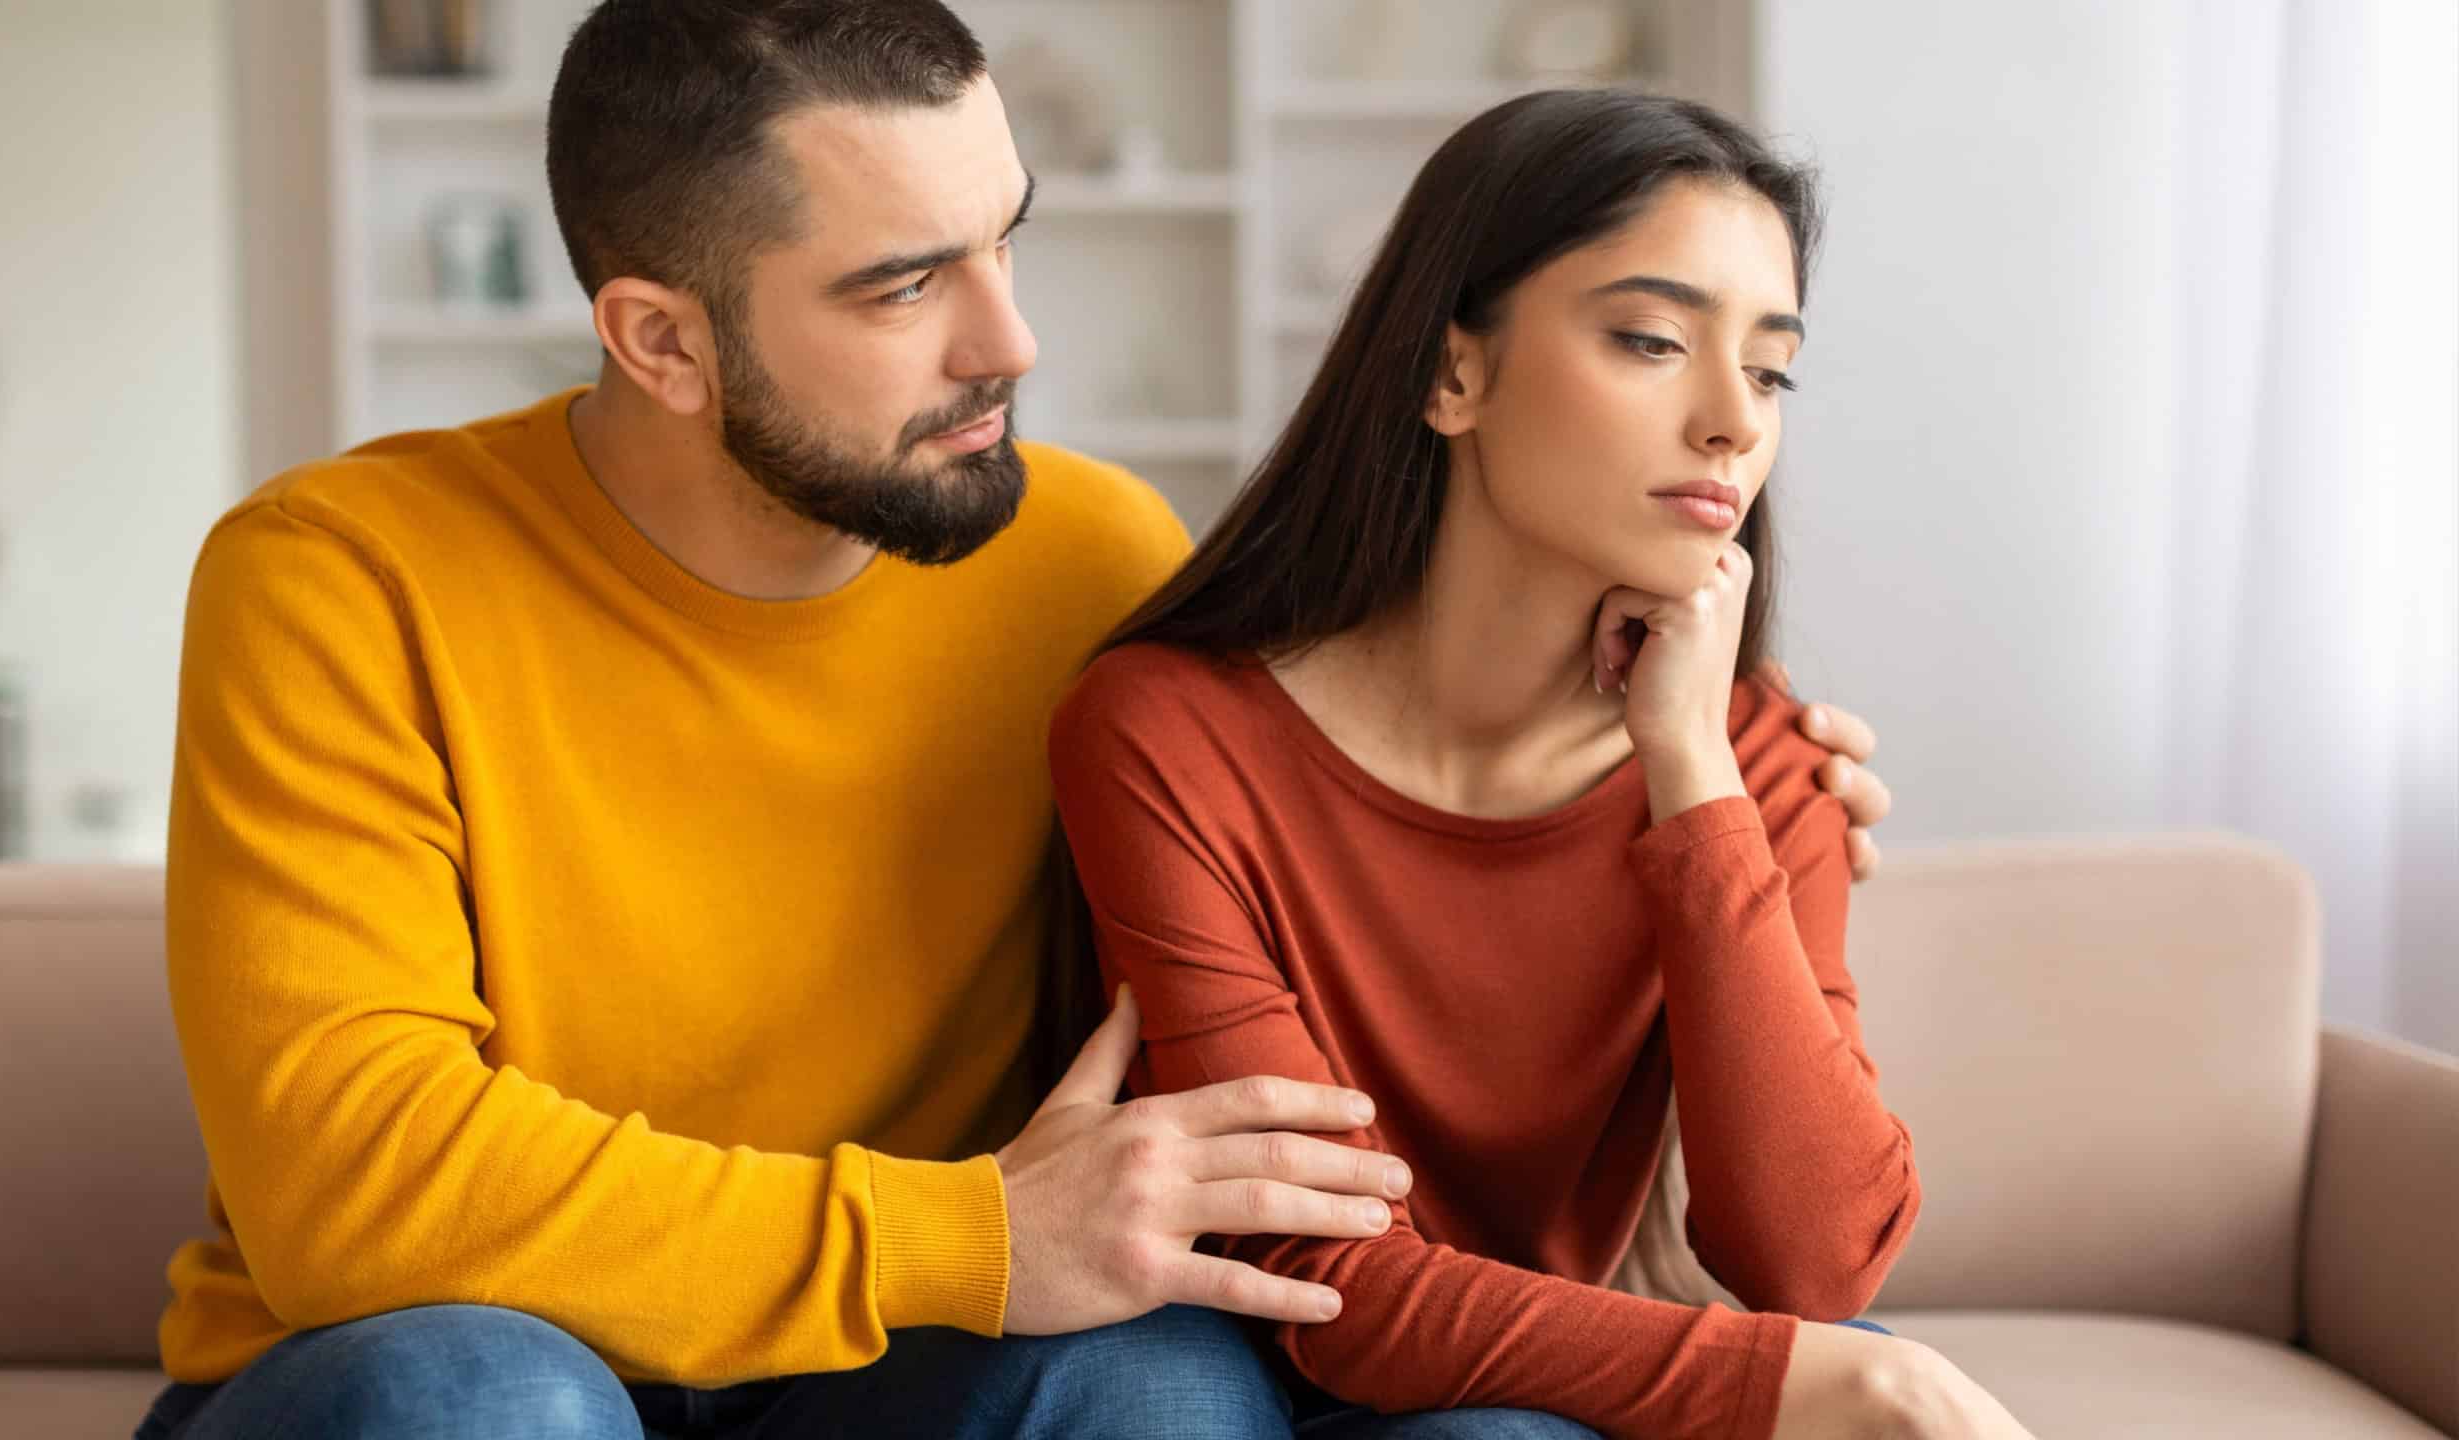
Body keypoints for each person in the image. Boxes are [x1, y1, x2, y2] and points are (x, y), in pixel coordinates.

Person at [135, 6, 1895, 1438]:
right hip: (463, 1352)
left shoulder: (1091, 563)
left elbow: (1341, 787)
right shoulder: (340, 577)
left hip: (883, 1372)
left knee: (1158, 1386)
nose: (1012, 340)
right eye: (905, 286)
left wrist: (1735, 807)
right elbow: (350, 1190)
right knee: (482, 1399)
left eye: (1007, 242)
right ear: (661, 342)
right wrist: (963, 1234)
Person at [1050, 89, 2033, 1440]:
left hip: (1526, 1373)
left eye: (1770, 370)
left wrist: (1693, 771)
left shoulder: (1752, 756)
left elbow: (1815, 1266)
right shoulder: (1167, 732)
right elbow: (1327, 1274)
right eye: (1652, 340)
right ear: (1453, 374)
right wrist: (1823, 1380)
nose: (1732, 423)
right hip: (1228, 1346)